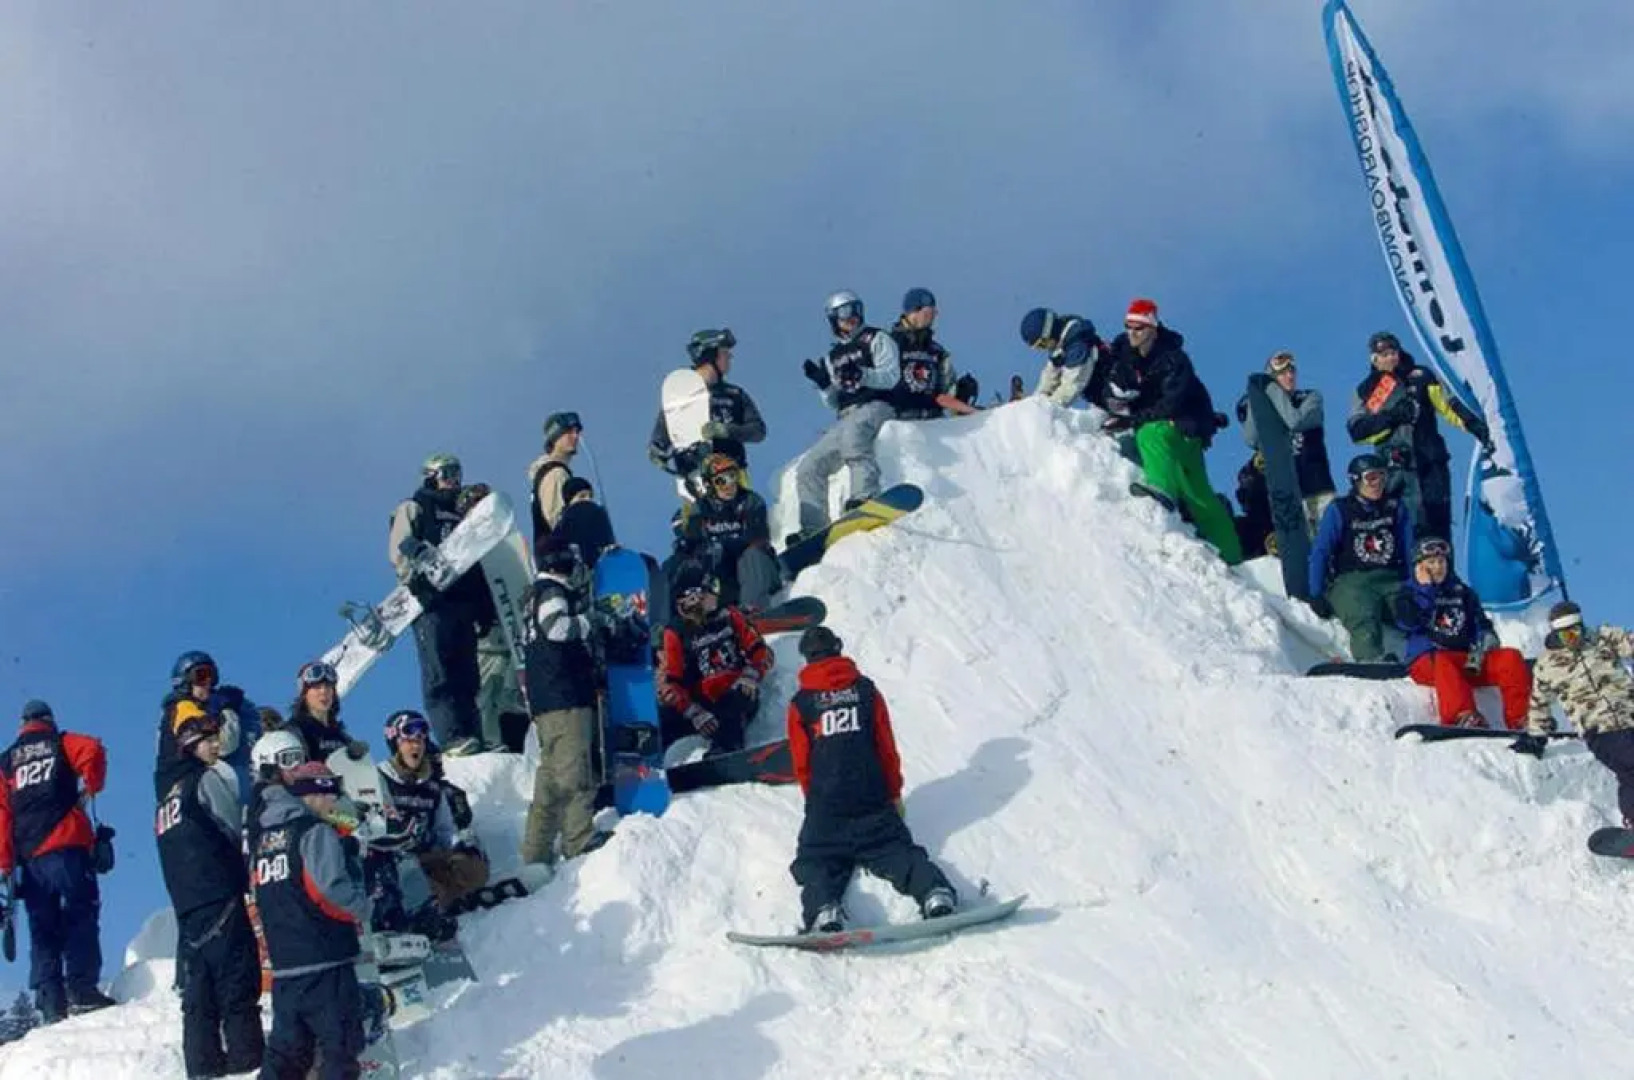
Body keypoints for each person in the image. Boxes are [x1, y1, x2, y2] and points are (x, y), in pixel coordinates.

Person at [785, 627, 956, 933]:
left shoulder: (802, 703)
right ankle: (934, 893)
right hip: (872, 799)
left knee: (817, 860)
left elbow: (801, 761)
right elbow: (885, 747)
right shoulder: (866, 691)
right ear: (838, 648)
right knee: (896, 851)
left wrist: (815, 799)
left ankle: (825, 912)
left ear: (807, 658)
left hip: (827, 805)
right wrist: (893, 793)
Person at [155, 706, 264, 1077]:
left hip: (187, 907)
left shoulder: (165, 799)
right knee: (238, 984)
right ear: (191, 743)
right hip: (221, 894)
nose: (218, 744)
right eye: (210, 739)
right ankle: (248, 1064)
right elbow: (232, 827)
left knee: (198, 997)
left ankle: (202, 1069)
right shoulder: (206, 780)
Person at [250, 761, 368, 1080]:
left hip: (286, 966)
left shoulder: (265, 839)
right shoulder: (314, 832)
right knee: (339, 1052)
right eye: (329, 793)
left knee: (287, 1056)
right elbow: (329, 890)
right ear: (311, 793)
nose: (333, 802)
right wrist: (362, 906)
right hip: (326, 960)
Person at [0, 700, 115, 1023]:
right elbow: (92, 749)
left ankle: (50, 1001)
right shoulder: (60, 742)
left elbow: (2, 817)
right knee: (81, 913)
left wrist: (6, 865)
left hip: (30, 859)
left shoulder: (6, 762)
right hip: (67, 845)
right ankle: (82, 989)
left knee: (42, 927)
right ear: (48, 720)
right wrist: (91, 786)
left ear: (23, 724)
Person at [1105, 299, 1242, 565]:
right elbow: (1112, 386)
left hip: (1185, 426)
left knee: (1149, 434)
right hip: (1167, 428)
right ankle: (1231, 555)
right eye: (1129, 327)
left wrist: (1132, 420)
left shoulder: (1173, 359)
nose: (1133, 333)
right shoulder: (1124, 354)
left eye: (1140, 328)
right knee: (1197, 494)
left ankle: (1161, 490)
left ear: (1153, 329)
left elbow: (1171, 405)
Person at [1345, 331, 1492, 543]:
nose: (1390, 358)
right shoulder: (1367, 391)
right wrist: (1392, 417)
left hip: (1429, 464)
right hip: (1394, 472)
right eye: (1384, 354)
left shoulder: (1421, 376)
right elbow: (1358, 432)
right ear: (1374, 359)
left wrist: (1475, 426)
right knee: (1403, 529)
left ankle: (1445, 572)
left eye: (1393, 352)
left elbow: (1449, 405)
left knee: (1437, 524)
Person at [520, 536, 611, 869]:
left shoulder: (532, 595)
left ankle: (535, 852)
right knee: (575, 772)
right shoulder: (552, 592)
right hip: (565, 695)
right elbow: (556, 628)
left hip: (546, 700)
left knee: (550, 779)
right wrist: (592, 622)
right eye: (570, 555)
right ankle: (578, 839)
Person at [388, 454, 488, 755]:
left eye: (458, 474)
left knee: (467, 674)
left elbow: (478, 563)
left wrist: (485, 608)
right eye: (447, 474)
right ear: (431, 476)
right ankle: (450, 737)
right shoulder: (416, 507)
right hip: (431, 603)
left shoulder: (463, 516)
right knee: (439, 672)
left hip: (461, 602)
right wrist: (413, 578)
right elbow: (400, 545)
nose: (454, 481)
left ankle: (473, 734)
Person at [366, 711, 489, 941]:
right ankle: (419, 909)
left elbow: (445, 829)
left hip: (427, 856)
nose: (416, 746)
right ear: (395, 743)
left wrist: (461, 847)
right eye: (409, 740)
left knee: (473, 869)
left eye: (421, 740)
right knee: (413, 882)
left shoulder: (432, 787)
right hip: (394, 862)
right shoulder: (380, 779)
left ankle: (439, 899)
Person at [793, 291, 901, 538]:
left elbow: (892, 376)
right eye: (843, 313)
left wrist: (863, 375)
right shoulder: (832, 357)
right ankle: (813, 527)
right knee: (810, 466)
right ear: (833, 319)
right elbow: (833, 402)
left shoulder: (876, 338)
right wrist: (824, 385)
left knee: (854, 437)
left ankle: (864, 494)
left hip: (877, 404)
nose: (851, 317)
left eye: (855, 310)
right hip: (847, 413)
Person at [1394, 537, 1531, 729]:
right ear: (1420, 567)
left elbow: (1480, 623)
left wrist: (1486, 637)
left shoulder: (1463, 592)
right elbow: (1408, 623)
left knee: (1510, 658)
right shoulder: (1407, 593)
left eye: (1442, 561)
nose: (1438, 567)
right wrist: (1426, 590)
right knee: (1443, 660)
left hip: (1466, 659)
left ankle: (1521, 719)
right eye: (1431, 562)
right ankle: (1462, 715)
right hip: (1429, 661)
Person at [1516, 605, 1634, 824]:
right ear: (1555, 633)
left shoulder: (1602, 639)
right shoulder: (1547, 664)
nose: (1572, 639)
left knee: (1629, 774)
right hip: (1599, 729)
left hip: (1630, 716)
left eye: (1576, 631)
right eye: (1565, 634)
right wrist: (1537, 735)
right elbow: (1539, 701)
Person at [657, 563, 774, 757]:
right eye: (710, 588)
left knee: (732, 702)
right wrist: (692, 711)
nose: (715, 593)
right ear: (694, 596)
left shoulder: (729, 615)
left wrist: (751, 674)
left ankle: (727, 749)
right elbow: (672, 681)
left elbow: (760, 651)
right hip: (701, 702)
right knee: (664, 719)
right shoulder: (676, 632)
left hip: (736, 690)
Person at [1308, 453, 1414, 662]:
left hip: (1390, 578)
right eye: (1371, 478)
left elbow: (1409, 549)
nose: (1378, 484)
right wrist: (1316, 592)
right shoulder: (1341, 510)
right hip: (1353, 581)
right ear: (1356, 480)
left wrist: (1413, 586)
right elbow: (1320, 551)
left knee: (1414, 613)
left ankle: (1430, 659)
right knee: (1363, 617)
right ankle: (1371, 660)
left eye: (1382, 477)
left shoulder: (1395, 508)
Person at [1236, 351, 1336, 536]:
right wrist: (1257, 400)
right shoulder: (1268, 411)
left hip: (1318, 490)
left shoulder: (1309, 397)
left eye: (1292, 371)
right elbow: (1251, 439)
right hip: (1290, 494)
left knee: (1331, 546)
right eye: (1282, 373)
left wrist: (1271, 391)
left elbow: (1295, 421)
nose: (1289, 376)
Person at [648, 328, 768, 480]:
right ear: (710, 355)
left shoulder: (734, 395)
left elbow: (758, 431)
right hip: (694, 478)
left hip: (733, 478)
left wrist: (726, 431)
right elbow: (663, 436)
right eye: (724, 352)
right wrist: (657, 451)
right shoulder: (679, 396)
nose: (730, 356)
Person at [676, 452, 782, 611]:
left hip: (759, 572)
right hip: (724, 581)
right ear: (709, 484)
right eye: (721, 480)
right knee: (683, 566)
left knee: (751, 554)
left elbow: (758, 538)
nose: (729, 485)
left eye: (733, 477)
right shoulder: (701, 509)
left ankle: (753, 610)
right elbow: (692, 546)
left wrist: (723, 546)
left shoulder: (750, 501)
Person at [156, 650, 262, 804]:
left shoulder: (191, 711)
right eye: (200, 675)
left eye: (212, 676)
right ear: (185, 681)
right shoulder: (182, 708)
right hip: (188, 794)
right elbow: (218, 750)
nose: (208, 682)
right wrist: (227, 712)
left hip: (181, 799)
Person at [890, 288, 977, 420]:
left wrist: (961, 395)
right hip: (897, 422)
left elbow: (944, 394)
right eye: (927, 313)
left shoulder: (937, 352)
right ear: (913, 312)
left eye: (933, 314)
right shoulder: (889, 344)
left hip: (932, 423)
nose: (931, 318)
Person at [1020, 307, 1110, 409]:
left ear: (1049, 332)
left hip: (1117, 392)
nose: (1043, 349)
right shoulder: (1060, 348)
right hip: (1102, 399)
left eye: (1042, 344)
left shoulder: (1077, 345)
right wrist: (1034, 403)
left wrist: (1045, 410)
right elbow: (1049, 377)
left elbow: (1071, 386)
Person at [283, 661, 371, 765]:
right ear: (304, 694)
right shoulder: (294, 731)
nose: (323, 692)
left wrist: (360, 759)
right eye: (317, 687)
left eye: (328, 687)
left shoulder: (340, 735)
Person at [527, 412, 584, 559]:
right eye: (569, 432)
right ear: (555, 436)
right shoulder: (555, 473)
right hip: (561, 561)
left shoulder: (553, 472)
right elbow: (558, 519)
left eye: (577, 432)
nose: (576, 437)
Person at [553, 477, 618, 572]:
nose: (587, 500)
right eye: (582, 496)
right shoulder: (563, 524)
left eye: (590, 496)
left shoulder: (598, 516)